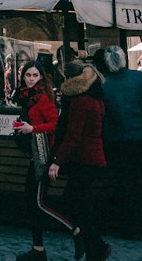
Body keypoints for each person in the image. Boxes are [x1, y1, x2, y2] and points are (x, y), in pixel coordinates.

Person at [94, 45, 142, 241]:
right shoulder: (138, 78)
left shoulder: (103, 85)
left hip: (121, 142)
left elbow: (104, 118)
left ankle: (133, 227)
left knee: (127, 187)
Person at [47, 61, 111, 261]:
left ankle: (96, 245)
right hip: (93, 158)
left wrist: (57, 160)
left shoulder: (80, 101)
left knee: (74, 204)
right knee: (80, 204)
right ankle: (94, 247)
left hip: (84, 159)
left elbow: (73, 136)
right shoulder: (95, 97)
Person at [11, 61, 59, 261]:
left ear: (41, 77)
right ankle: (37, 249)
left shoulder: (42, 98)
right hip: (34, 154)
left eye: (34, 75)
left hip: (44, 156)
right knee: (32, 202)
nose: (30, 79)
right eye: (28, 75)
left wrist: (32, 129)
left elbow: (55, 124)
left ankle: (76, 229)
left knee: (37, 202)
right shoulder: (26, 97)